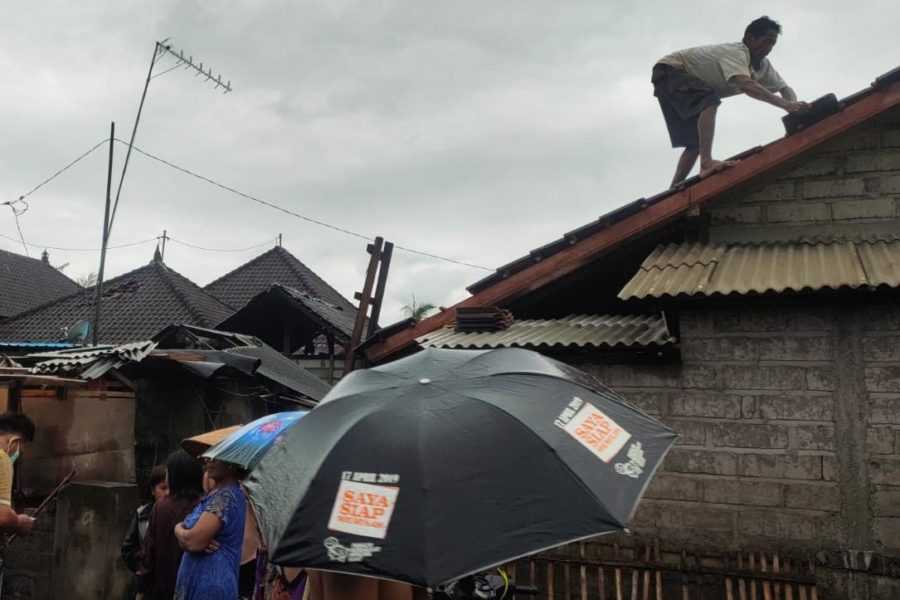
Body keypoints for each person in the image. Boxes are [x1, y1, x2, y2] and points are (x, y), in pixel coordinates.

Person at [652, 16, 810, 186]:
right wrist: (786, 105)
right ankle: (706, 163)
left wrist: (793, 109)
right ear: (750, 38)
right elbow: (746, 85)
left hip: (672, 82)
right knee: (709, 101)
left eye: (772, 44)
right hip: (670, 71)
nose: (768, 48)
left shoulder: (763, 66)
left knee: (696, 142)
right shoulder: (737, 53)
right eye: (766, 41)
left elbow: (784, 88)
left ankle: (675, 188)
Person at [173, 459, 247, 600]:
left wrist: (180, 532)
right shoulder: (214, 495)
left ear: (231, 463)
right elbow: (189, 538)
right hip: (198, 580)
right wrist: (178, 529)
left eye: (216, 458)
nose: (208, 461)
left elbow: (192, 541)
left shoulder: (226, 496)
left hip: (211, 584)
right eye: (209, 456)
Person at [141, 451, 204, 600]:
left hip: (164, 587)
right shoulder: (205, 506)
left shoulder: (161, 507)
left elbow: (149, 551)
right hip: (196, 586)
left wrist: (143, 587)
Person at [122, 465, 169, 596]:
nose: (167, 493)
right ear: (153, 491)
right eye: (163, 488)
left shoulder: (177, 514)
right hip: (147, 585)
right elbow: (128, 548)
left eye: (170, 488)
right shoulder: (142, 513)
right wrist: (139, 566)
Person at [0, 413, 36, 535]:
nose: (21, 451)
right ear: (16, 440)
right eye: (23, 444)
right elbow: (3, 516)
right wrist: (19, 522)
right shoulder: (2, 458)